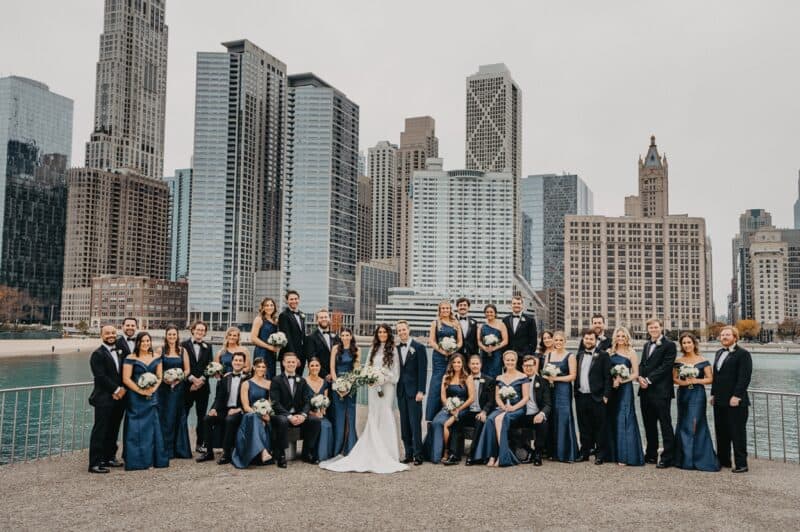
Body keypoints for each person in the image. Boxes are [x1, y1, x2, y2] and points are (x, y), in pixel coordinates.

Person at [321, 324, 408, 474]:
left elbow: (395, 373)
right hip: (373, 387)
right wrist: (370, 378)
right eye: (379, 332)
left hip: (386, 387)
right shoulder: (373, 349)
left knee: (385, 412)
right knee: (373, 414)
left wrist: (382, 378)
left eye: (384, 332)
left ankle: (389, 452)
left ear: (388, 334)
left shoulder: (393, 349)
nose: (382, 334)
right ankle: (372, 448)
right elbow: (367, 366)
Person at [471, 351, 530, 467]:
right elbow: (497, 396)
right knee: (490, 420)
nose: (510, 362)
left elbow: (526, 397)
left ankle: (501, 456)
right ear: (504, 361)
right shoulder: (499, 377)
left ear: (516, 361)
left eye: (512, 360)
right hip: (501, 407)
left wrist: (513, 408)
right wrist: (502, 406)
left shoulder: (523, 376)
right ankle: (491, 455)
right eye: (507, 360)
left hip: (517, 408)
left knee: (500, 420)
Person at [121, 332, 168, 471]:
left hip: (152, 396)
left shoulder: (156, 357)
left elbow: (159, 377)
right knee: (136, 428)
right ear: (138, 343)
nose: (146, 343)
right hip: (136, 398)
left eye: (148, 341)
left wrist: (153, 389)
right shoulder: (130, 358)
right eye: (143, 341)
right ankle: (136, 461)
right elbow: (126, 379)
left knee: (152, 428)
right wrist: (141, 391)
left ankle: (153, 459)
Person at [673, 332, 720, 472]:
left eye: (689, 342)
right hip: (683, 394)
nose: (687, 345)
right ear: (681, 345)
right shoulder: (678, 361)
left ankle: (700, 458)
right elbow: (674, 378)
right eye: (684, 343)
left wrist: (696, 380)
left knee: (696, 423)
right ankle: (684, 458)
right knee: (683, 423)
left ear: (694, 344)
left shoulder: (703, 360)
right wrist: (683, 382)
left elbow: (710, 379)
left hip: (697, 395)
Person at [711, 326, 752, 473]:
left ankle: (741, 464)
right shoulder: (719, 353)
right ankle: (724, 461)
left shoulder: (743, 354)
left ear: (735, 337)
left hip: (736, 401)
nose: (724, 337)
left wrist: (737, 396)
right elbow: (717, 377)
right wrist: (713, 394)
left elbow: (744, 378)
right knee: (721, 432)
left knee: (737, 432)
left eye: (727, 335)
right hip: (719, 401)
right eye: (722, 335)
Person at [270, 352, 321, 468]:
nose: (291, 364)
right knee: (283, 421)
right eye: (288, 362)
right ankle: (281, 455)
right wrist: (289, 416)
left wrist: (303, 415)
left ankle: (307, 452)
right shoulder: (276, 380)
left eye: (293, 362)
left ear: (297, 363)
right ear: (283, 363)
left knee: (315, 420)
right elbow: (275, 403)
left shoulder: (302, 381)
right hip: (281, 415)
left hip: (298, 414)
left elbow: (308, 401)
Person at [638, 318, 677, 468]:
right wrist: (640, 377)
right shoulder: (647, 344)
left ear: (661, 327)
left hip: (661, 392)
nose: (653, 329)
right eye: (650, 327)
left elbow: (666, 366)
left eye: (656, 327)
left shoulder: (670, 345)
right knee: (649, 425)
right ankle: (651, 454)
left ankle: (668, 457)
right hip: (645, 392)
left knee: (665, 424)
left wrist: (648, 380)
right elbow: (643, 364)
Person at [87, 324, 127, 473]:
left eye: (113, 333)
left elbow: (122, 373)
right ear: (101, 335)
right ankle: (94, 463)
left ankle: (109, 457)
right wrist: (116, 389)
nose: (111, 335)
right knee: (100, 430)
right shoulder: (97, 354)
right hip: (104, 398)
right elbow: (100, 376)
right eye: (107, 333)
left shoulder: (120, 352)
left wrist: (122, 390)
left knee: (113, 429)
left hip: (119, 399)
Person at [195, 352, 247, 465]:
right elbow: (219, 397)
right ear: (232, 362)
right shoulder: (225, 378)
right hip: (225, 409)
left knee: (230, 419)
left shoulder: (247, 379)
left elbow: (251, 399)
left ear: (244, 363)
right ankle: (209, 452)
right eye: (236, 360)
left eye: (240, 361)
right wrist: (214, 409)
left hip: (239, 410)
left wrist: (239, 409)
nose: (237, 362)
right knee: (207, 419)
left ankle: (227, 453)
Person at [607, 327, 645, 466]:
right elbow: (605, 371)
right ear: (615, 337)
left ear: (627, 337)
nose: (621, 338)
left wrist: (621, 380)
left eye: (623, 336)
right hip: (612, 389)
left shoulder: (631, 352)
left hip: (625, 389)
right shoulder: (609, 352)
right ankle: (612, 454)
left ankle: (626, 455)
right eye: (618, 336)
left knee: (624, 418)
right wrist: (612, 380)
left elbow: (635, 373)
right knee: (612, 418)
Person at [427, 355, 474, 465]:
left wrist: (458, 409)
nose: (457, 365)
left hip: (463, 408)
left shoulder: (467, 377)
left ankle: (446, 451)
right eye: (455, 362)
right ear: (451, 364)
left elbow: (471, 398)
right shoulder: (446, 377)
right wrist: (449, 407)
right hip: (448, 407)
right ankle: (435, 453)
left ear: (463, 364)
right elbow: (443, 396)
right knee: (436, 422)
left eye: (459, 362)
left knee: (447, 424)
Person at [574, 329, 611, 464]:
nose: (588, 341)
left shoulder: (603, 355)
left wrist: (606, 395)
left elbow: (608, 377)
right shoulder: (579, 355)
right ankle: (584, 452)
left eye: (591, 339)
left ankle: (601, 454)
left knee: (600, 427)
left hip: (597, 396)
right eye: (586, 338)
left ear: (595, 341)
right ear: (583, 340)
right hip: (581, 396)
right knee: (584, 426)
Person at [157, 325, 191, 459]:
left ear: (177, 336)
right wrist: (165, 379)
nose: (172, 337)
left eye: (174, 334)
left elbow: (187, 369)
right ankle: (166, 449)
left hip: (178, 388)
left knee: (179, 416)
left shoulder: (183, 351)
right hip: (164, 389)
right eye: (169, 334)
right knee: (166, 417)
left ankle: (180, 449)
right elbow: (157, 368)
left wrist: (179, 378)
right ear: (166, 336)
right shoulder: (161, 350)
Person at [543, 331, 578, 463]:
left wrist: (556, 378)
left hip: (563, 389)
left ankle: (567, 453)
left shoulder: (570, 356)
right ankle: (553, 452)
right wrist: (548, 377)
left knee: (564, 416)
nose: (558, 343)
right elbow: (544, 372)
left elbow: (572, 376)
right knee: (552, 417)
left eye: (560, 340)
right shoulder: (549, 355)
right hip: (550, 389)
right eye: (556, 340)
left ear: (565, 341)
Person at [395, 320, 427, 465]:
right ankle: (408, 453)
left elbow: (423, 371)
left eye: (404, 329)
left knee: (415, 424)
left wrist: (421, 391)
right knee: (404, 424)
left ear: (409, 329)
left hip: (415, 392)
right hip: (401, 391)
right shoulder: (395, 349)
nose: (402, 332)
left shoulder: (419, 347)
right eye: (399, 330)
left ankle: (418, 455)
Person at [232, 357, 273, 468]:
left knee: (258, 419)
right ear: (254, 367)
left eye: (263, 367)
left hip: (265, 416)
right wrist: (259, 416)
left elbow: (270, 404)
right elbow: (245, 406)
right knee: (252, 417)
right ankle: (263, 451)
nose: (261, 369)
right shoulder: (246, 384)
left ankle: (261, 451)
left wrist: (266, 415)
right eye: (258, 366)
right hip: (250, 415)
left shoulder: (270, 383)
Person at [425, 301, 463, 422]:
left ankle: (450, 409)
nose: (445, 310)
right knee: (437, 382)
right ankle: (432, 416)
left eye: (447, 308)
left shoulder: (455, 322)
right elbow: (431, 341)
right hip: (439, 357)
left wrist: (453, 350)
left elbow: (460, 341)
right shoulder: (435, 323)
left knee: (451, 381)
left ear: (450, 309)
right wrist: (442, 350)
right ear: (439, 310)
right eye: (443, 308)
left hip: (452, 357)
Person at [181, 320, 213, 454]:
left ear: (205, 332)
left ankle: (200, 444)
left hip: (203, 387)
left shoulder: (208, 347)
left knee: (201, 417)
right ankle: (182, 444)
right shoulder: (183, 345)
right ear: (192, 330)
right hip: (187, 387)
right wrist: (192, 379)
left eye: (202, 330)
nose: (200, 332)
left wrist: (202, 380)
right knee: (184, 415)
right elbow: (181, 365)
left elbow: (210, 366)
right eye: (198, 329)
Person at [514, 355, 551, 466]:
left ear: (535, 366)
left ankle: (538, 453)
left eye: (530, 365)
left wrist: (542, 413)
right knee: (508, 423)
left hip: (535, 414)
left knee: (543, 424)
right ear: (522, 367)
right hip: (521, 413)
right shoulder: (517, 380)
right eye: (526, 366)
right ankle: (529, 451)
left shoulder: (543, 381)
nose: (528, 368)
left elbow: (548, 403)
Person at [330, 328, 360, 456]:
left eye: (347, 335)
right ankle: (338, 449)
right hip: (337, 384)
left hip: (351, 385)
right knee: (339, 416)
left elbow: (356, 370)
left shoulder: (357, 349)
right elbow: (332, 367)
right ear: (340, 336)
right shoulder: (335, 348)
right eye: (342, 335)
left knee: (350, 416)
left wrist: (348, 385)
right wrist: (337, 385)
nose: (345, 337)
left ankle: (351, 448)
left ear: (351, 336)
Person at [462, 355, 497, 466]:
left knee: (479, 421)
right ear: (469, 365)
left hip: (480, 411)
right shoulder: (464, 379)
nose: (475, 366)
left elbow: (491, 401)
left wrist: (484, 412)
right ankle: (454, 452)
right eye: (472, 363)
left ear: (481, 365)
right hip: (468, 411)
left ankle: (472, 455)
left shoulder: (489, 380)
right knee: (457, 420)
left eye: (477, 363)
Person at [305, 357, 334, 461]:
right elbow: (301, 403)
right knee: (318, 423)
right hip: (307, 413)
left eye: (316, 365)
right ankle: (314, 453)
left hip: (320, 414)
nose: (314, 367)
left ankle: (325, 455)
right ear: (308, 367)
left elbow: (325, 400)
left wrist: (322, 412)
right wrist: (312, 413)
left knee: (327, 425)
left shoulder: (324, 382)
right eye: (312, 365)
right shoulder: (304, 382)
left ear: (320, 367)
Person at [502, 296, 538, 369]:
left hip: (524, 357)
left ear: (522, 305)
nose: (516, 305)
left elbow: (533, 340)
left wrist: (528, 355)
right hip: (509, 358)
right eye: (514, 303)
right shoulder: (505, 320)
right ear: (511, 305)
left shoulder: (530, 320)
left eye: (518, 303)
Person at [251, 297, 281, 379]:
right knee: (262, 374)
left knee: (271, 375)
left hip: (272, 353)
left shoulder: (275, 321)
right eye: (267, 305)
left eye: (271, 305)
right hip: (261, 352)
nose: (269, 307)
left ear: (274, 307)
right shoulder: (259, 319)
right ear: (263, 307)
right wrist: (268, 347)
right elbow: (253, 338)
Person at [278, 290, 307, 374]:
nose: (294, 301)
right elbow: (287, 337)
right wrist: (293, 357)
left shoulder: (301, 314)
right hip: (289, 355)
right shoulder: (283, 315)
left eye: (296, 299)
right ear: (287, 301)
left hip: (301, 354)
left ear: (299, 300)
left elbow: (302, 335)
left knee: (299, 380)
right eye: (291, 299)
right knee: (287, 380)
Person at [305, 308, 338, 381]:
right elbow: (311, 358)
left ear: (329, 319)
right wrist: (325, 375)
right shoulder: (310, 338)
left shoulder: (335, 336)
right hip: (319, 376)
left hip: (335, 376)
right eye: (321, 317)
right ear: (317, 320)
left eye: (326, 317)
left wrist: (334, 373)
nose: (324, 319)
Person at [477, 304, 508, 379]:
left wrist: (494, 348)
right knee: (484, 374)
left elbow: (505, 340)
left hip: (496, 354)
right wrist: (484, 348)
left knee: (495, 374)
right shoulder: (481, 326)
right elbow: (478, 341)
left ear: (495, 313)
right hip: (484, 354)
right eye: (487, 312)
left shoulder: (501, 325)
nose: (489, 314)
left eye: (491, 312)